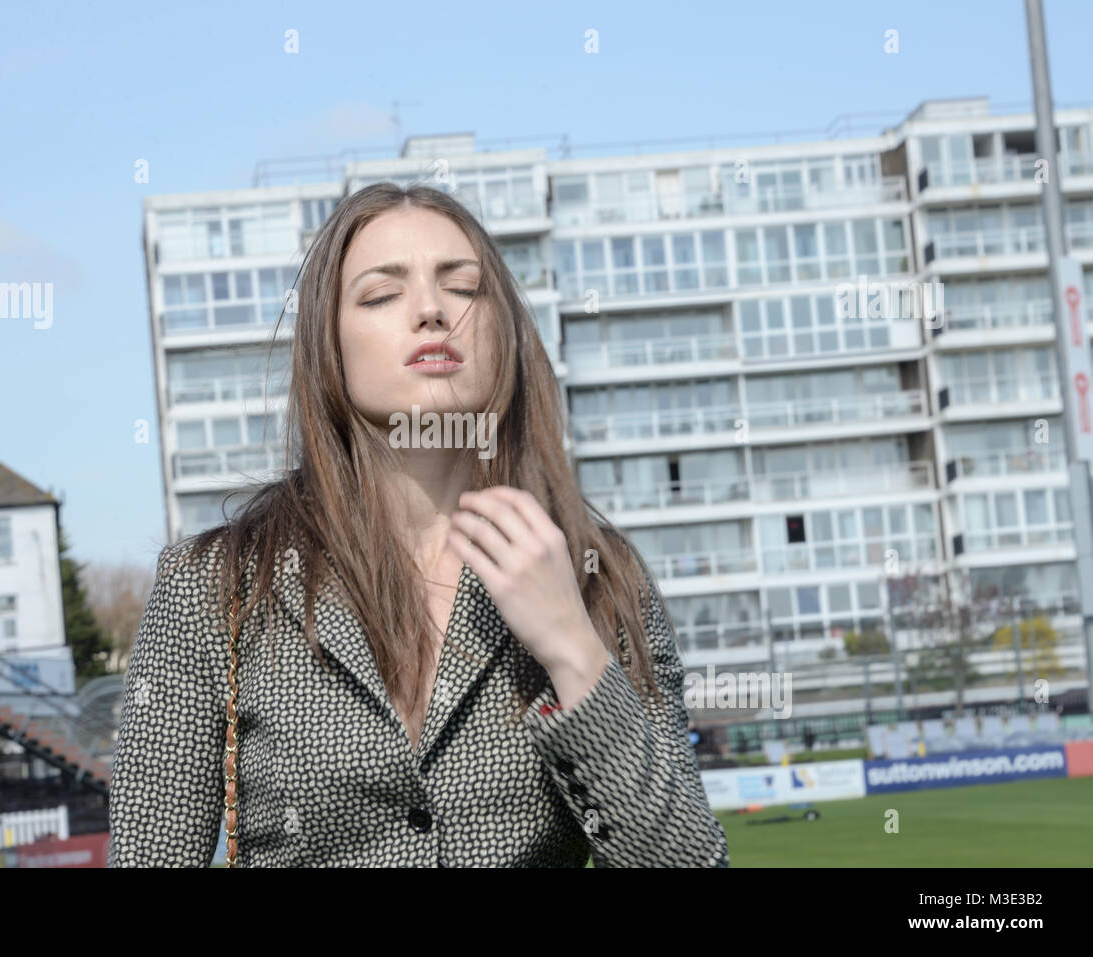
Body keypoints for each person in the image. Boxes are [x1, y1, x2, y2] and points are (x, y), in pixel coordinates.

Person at [107, 182, 730, 868]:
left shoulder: (597, 575)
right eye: (381, 295)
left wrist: (572, 649)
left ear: (504, 332)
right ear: (329, 346)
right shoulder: (211, 586)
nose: (432, 311)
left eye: (464, 289)